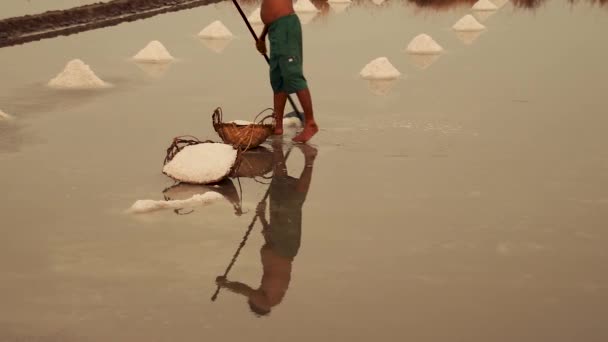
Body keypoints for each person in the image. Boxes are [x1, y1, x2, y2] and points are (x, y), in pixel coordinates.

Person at [215, 139, 318, 316]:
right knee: (291, 203)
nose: (253, 296)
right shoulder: (269, 301)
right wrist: (227, 285)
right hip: (283, 243)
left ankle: (287, 155)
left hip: (279, 241)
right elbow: (248, 292)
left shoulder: (270, 295)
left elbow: (249, 290)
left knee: (280, 191)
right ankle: (309, 161)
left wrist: (262, 216)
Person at [255, 0, 319, 143]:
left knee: (292, 74)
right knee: (278, 79)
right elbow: (272, 10)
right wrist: (262, 36)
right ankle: (278, 127)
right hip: (274, 30)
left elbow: (280, 10)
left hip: (286, 27)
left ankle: (310, 123)